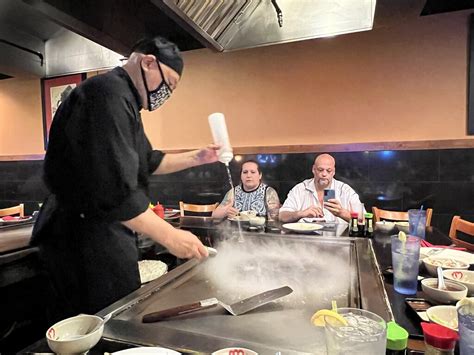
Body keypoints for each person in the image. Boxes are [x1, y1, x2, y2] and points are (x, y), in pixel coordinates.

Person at [31, 36, 218, 323]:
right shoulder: (106, 94)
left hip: (101, 233)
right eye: (168, 83)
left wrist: (197, 157)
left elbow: (148, 161)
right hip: (81, 238)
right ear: (147, 62)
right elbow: (114, 190)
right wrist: (170, 236)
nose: (166, 93)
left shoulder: (125, 99)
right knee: (99, 324)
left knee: (117, 315)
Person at [279, 153, 364, 223]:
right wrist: (301, 213)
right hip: (306, 240)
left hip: (338, 241)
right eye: (320, 170)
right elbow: (282, 216)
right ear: (313, 169)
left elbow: (363, 221)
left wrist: (342, 213)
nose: (324, 174)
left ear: (333, 172)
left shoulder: (345, 190)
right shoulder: (300, 189)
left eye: (328, 171)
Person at [212, 159, 280, 219]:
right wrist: (225, 211)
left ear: (260, 175)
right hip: (236, 231)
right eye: (245, 172)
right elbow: (214, 215)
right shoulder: (233, 192)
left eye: (253, 172)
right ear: (241, 175)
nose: (248, 175)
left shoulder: (269, 192)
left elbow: (276, 218)